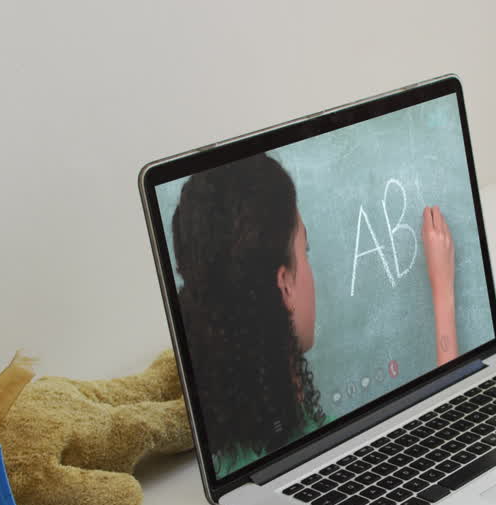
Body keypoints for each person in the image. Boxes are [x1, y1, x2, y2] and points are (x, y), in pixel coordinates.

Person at [172, 153, 458, 476]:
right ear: (285, 287)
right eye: (304, 251)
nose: (310, 268)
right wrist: (444, 293)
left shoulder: (227, 443)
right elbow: (445, 453)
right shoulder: (312, 451)